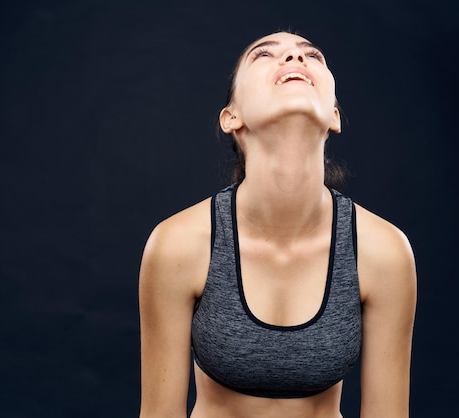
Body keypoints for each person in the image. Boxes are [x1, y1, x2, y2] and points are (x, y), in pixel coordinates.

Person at [138, 31, 417, 418]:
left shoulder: (384, 251)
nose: (294, 59)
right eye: (265, 55)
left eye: (311, 55)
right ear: (230, 116)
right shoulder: (177, 245)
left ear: (334, 115)